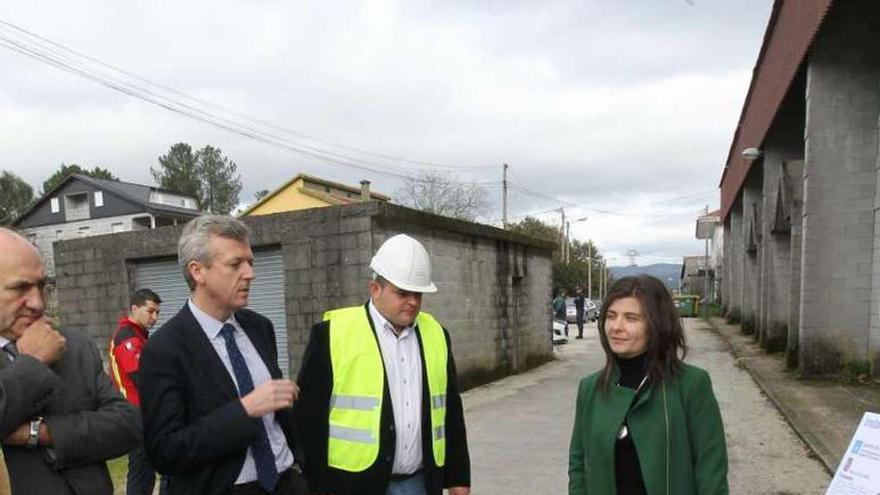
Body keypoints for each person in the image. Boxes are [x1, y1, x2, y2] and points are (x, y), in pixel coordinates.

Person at [138, 215, 307, 495]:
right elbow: (165, 452)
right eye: (235, 264)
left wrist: (301, 467)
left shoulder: (259, 328)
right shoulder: (164, 350)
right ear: (197, 272)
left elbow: (280, 419)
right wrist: (245, 410)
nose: (249, 273)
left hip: (286, 482)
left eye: (250, 262)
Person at [296, 234, 470, 495]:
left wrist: (458, 477)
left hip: (420, 483)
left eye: (418, 293)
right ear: (375, 289)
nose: (413, 301)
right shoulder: (332, 335)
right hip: (352, 486)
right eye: (402, 292)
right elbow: (308, 419)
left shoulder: (436, 334)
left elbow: (450, 411)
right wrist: (317, 485)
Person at [0, 227, 141, 494]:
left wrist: (42, 433)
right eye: (20, 288)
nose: (38, 303)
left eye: (42, 286)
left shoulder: (73, 345)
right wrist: (33, 363)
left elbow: (127, 424)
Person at [568, 275, 728, 495]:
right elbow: (578, 465)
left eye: (631, 318)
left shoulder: (691, 385)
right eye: (611, 316)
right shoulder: (590, 388)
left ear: (656, 324)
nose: (616, 327)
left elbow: (711, 470)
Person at [109, 288, 167, 495]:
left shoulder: (139, 336)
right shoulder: (127, 336)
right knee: (141, 471)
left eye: (157, 313)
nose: (154, 317)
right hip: (136, 413)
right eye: (150, 311)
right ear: (134, 308)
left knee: (153, 467)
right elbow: (142, 377)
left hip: (145, 411)